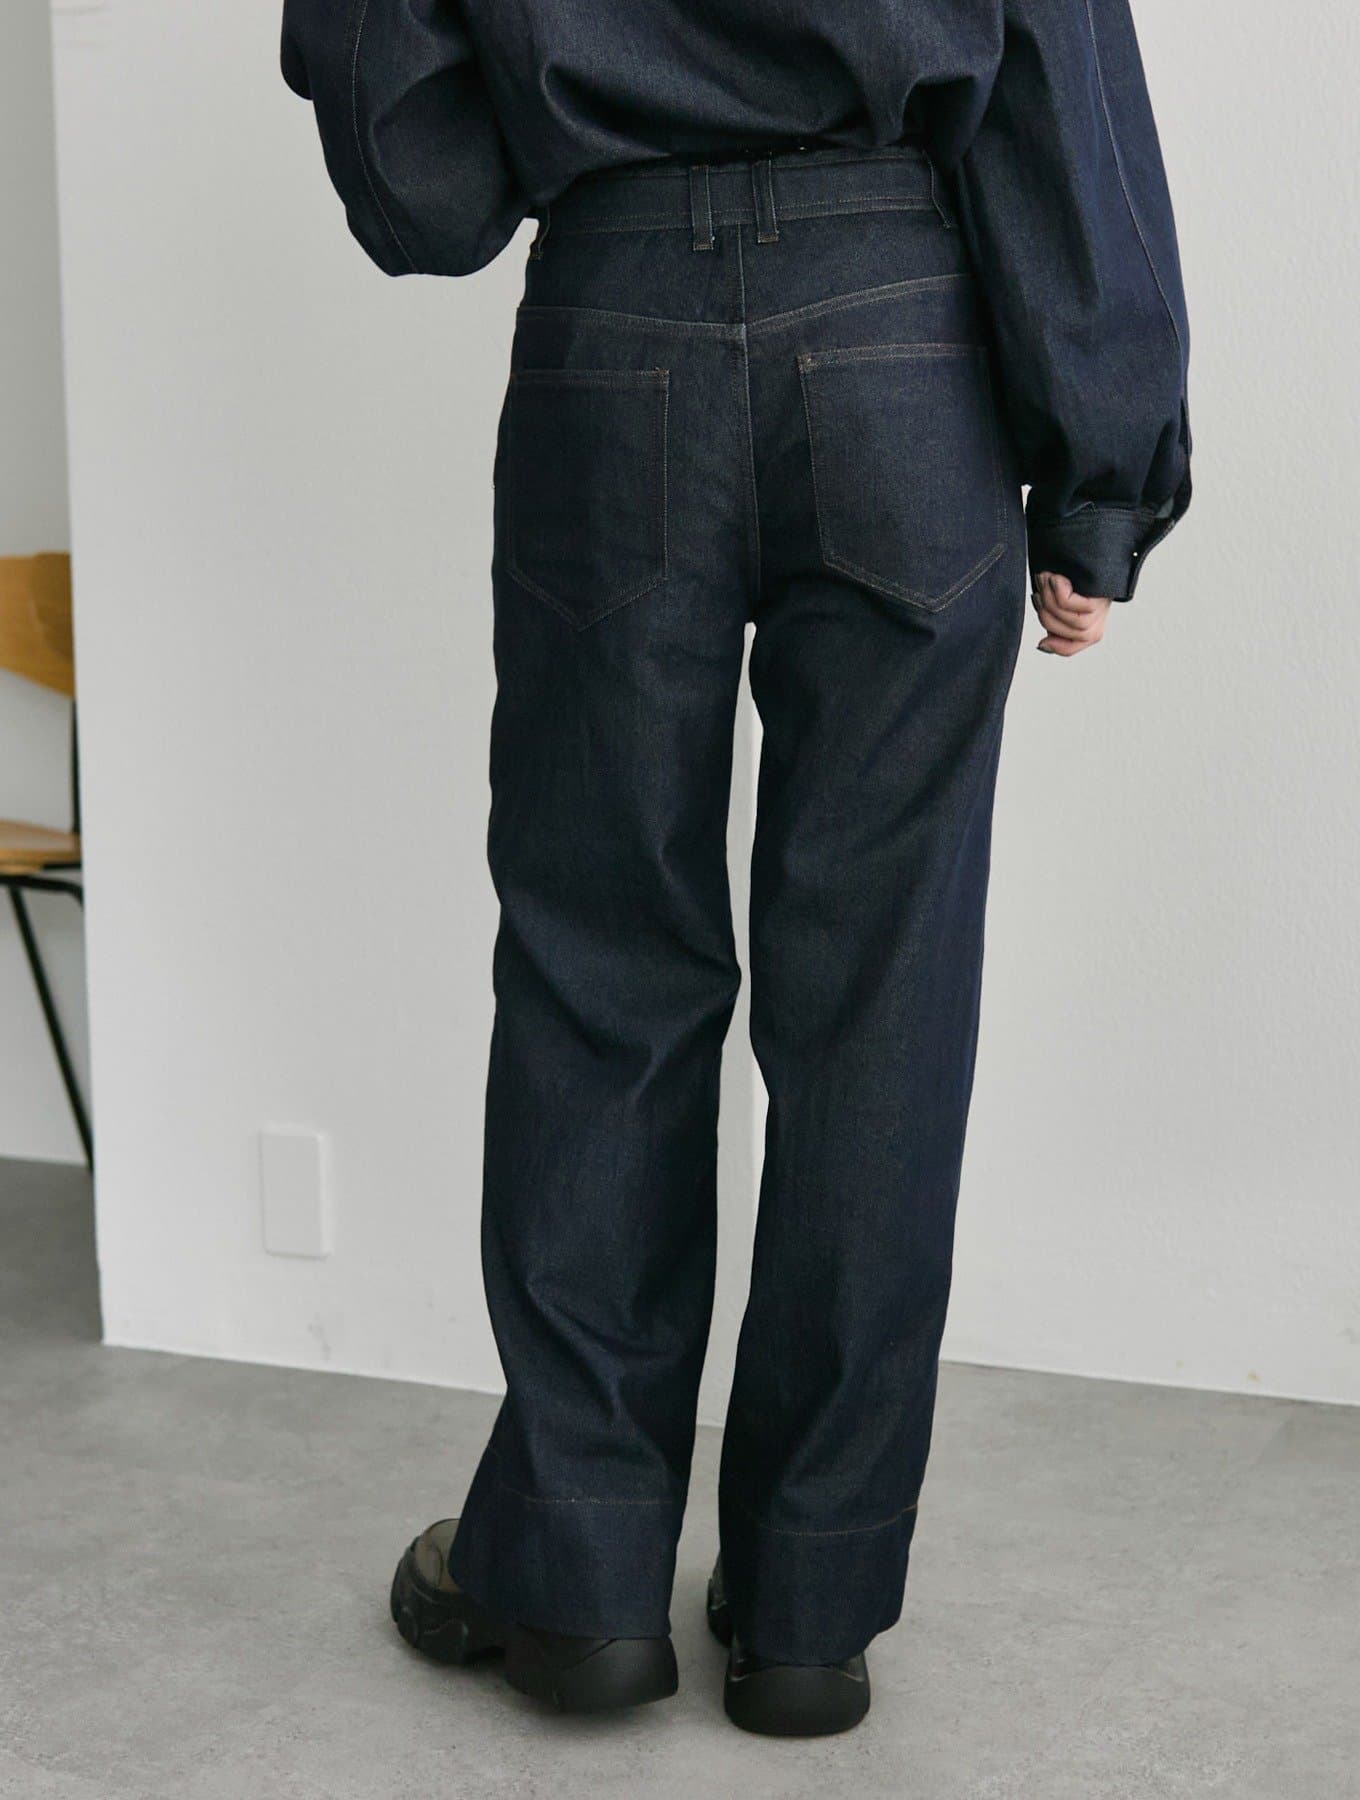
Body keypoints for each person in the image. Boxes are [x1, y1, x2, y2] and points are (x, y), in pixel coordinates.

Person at [281, 0, 1190, 1738]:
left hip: (613, 331)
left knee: (600, 969)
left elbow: (422, 187)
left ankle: (578, 1578)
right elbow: (1060, 68)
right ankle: (810, 1610)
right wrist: (1101, 473)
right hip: (903, 340)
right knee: (881, 1006)